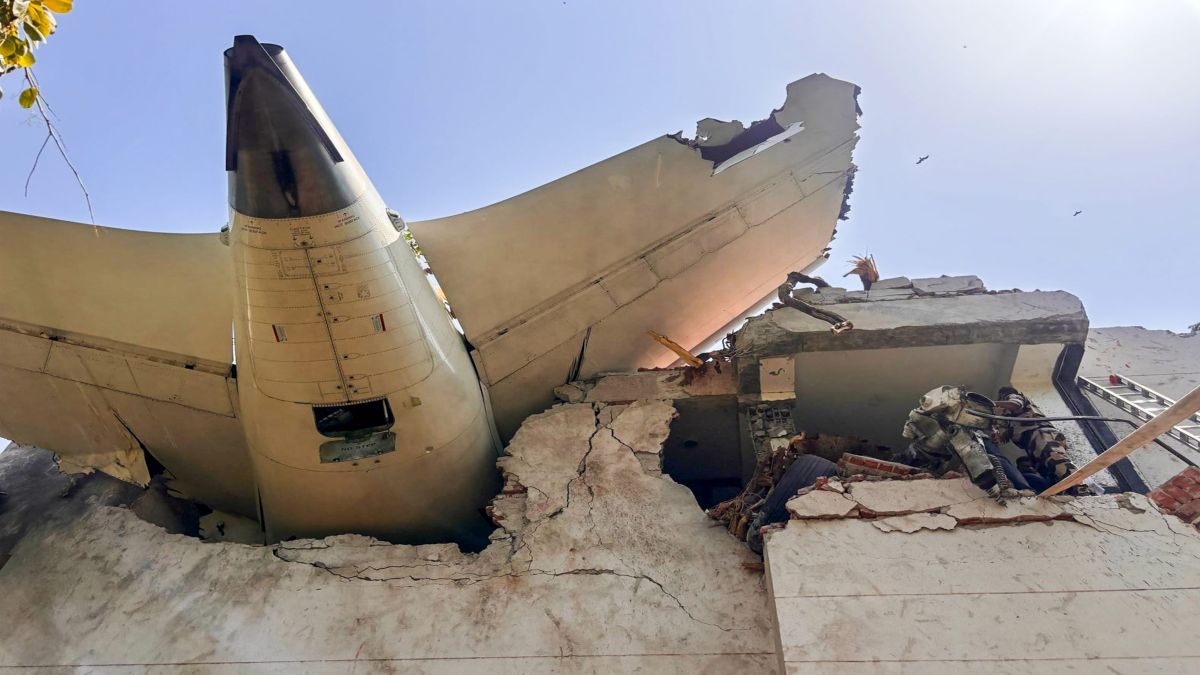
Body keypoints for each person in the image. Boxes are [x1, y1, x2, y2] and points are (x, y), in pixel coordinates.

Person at [989, 386, 1084, 493]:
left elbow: (1015, 404)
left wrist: (991, 404)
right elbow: (1009, 435)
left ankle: (1080, 487)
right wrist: (997, 435)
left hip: (1041, 434)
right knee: (1047, 469)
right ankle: (1067, 491)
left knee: (1055, 460)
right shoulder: (1012, 420)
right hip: (1032, 442)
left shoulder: (1013, 396)